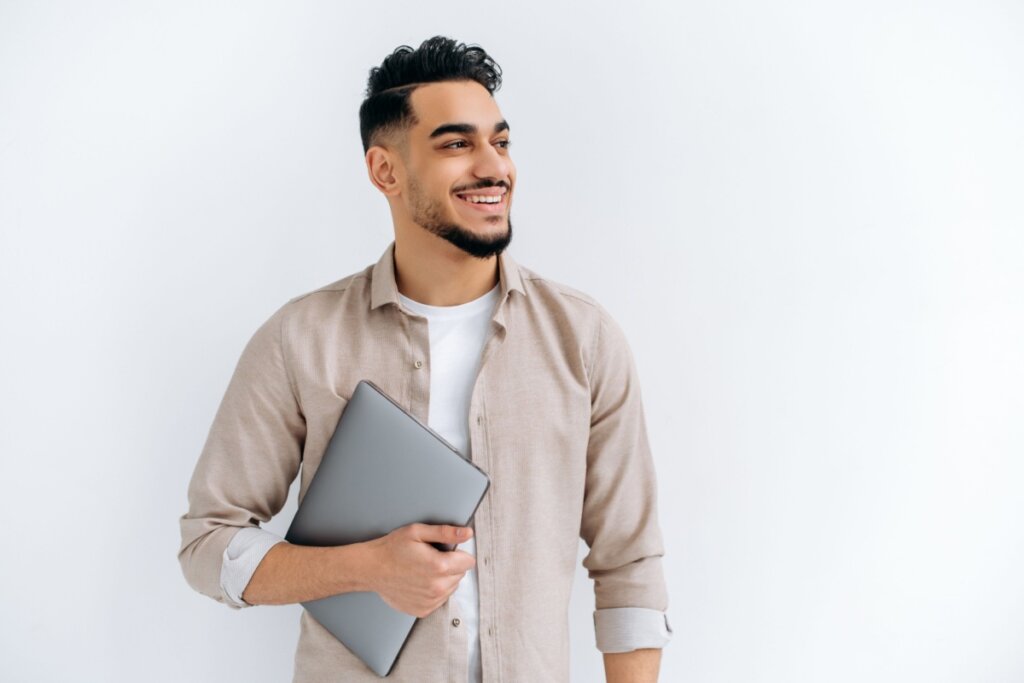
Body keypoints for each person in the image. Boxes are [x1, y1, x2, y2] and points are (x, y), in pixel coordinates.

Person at [178, 35, 672, 683]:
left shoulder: (583, 338)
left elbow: (630, 564)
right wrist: (363, 567)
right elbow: (208, 545)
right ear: (386, 170)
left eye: (500, 140)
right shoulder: (299, 338)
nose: (493, 166)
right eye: (456, 144)